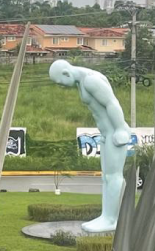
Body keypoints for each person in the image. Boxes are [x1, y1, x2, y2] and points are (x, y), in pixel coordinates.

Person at [49, 60, 131, 232]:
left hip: (115, 134)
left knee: (113, 176)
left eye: (60, 83)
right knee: (106, 177)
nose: (61, 87)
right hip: (107, 134)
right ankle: (106, 216)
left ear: (66, 74)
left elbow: (112, 103)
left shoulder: (90, 80)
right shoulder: (81, 81)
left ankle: (111, 220)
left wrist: (119, 129)